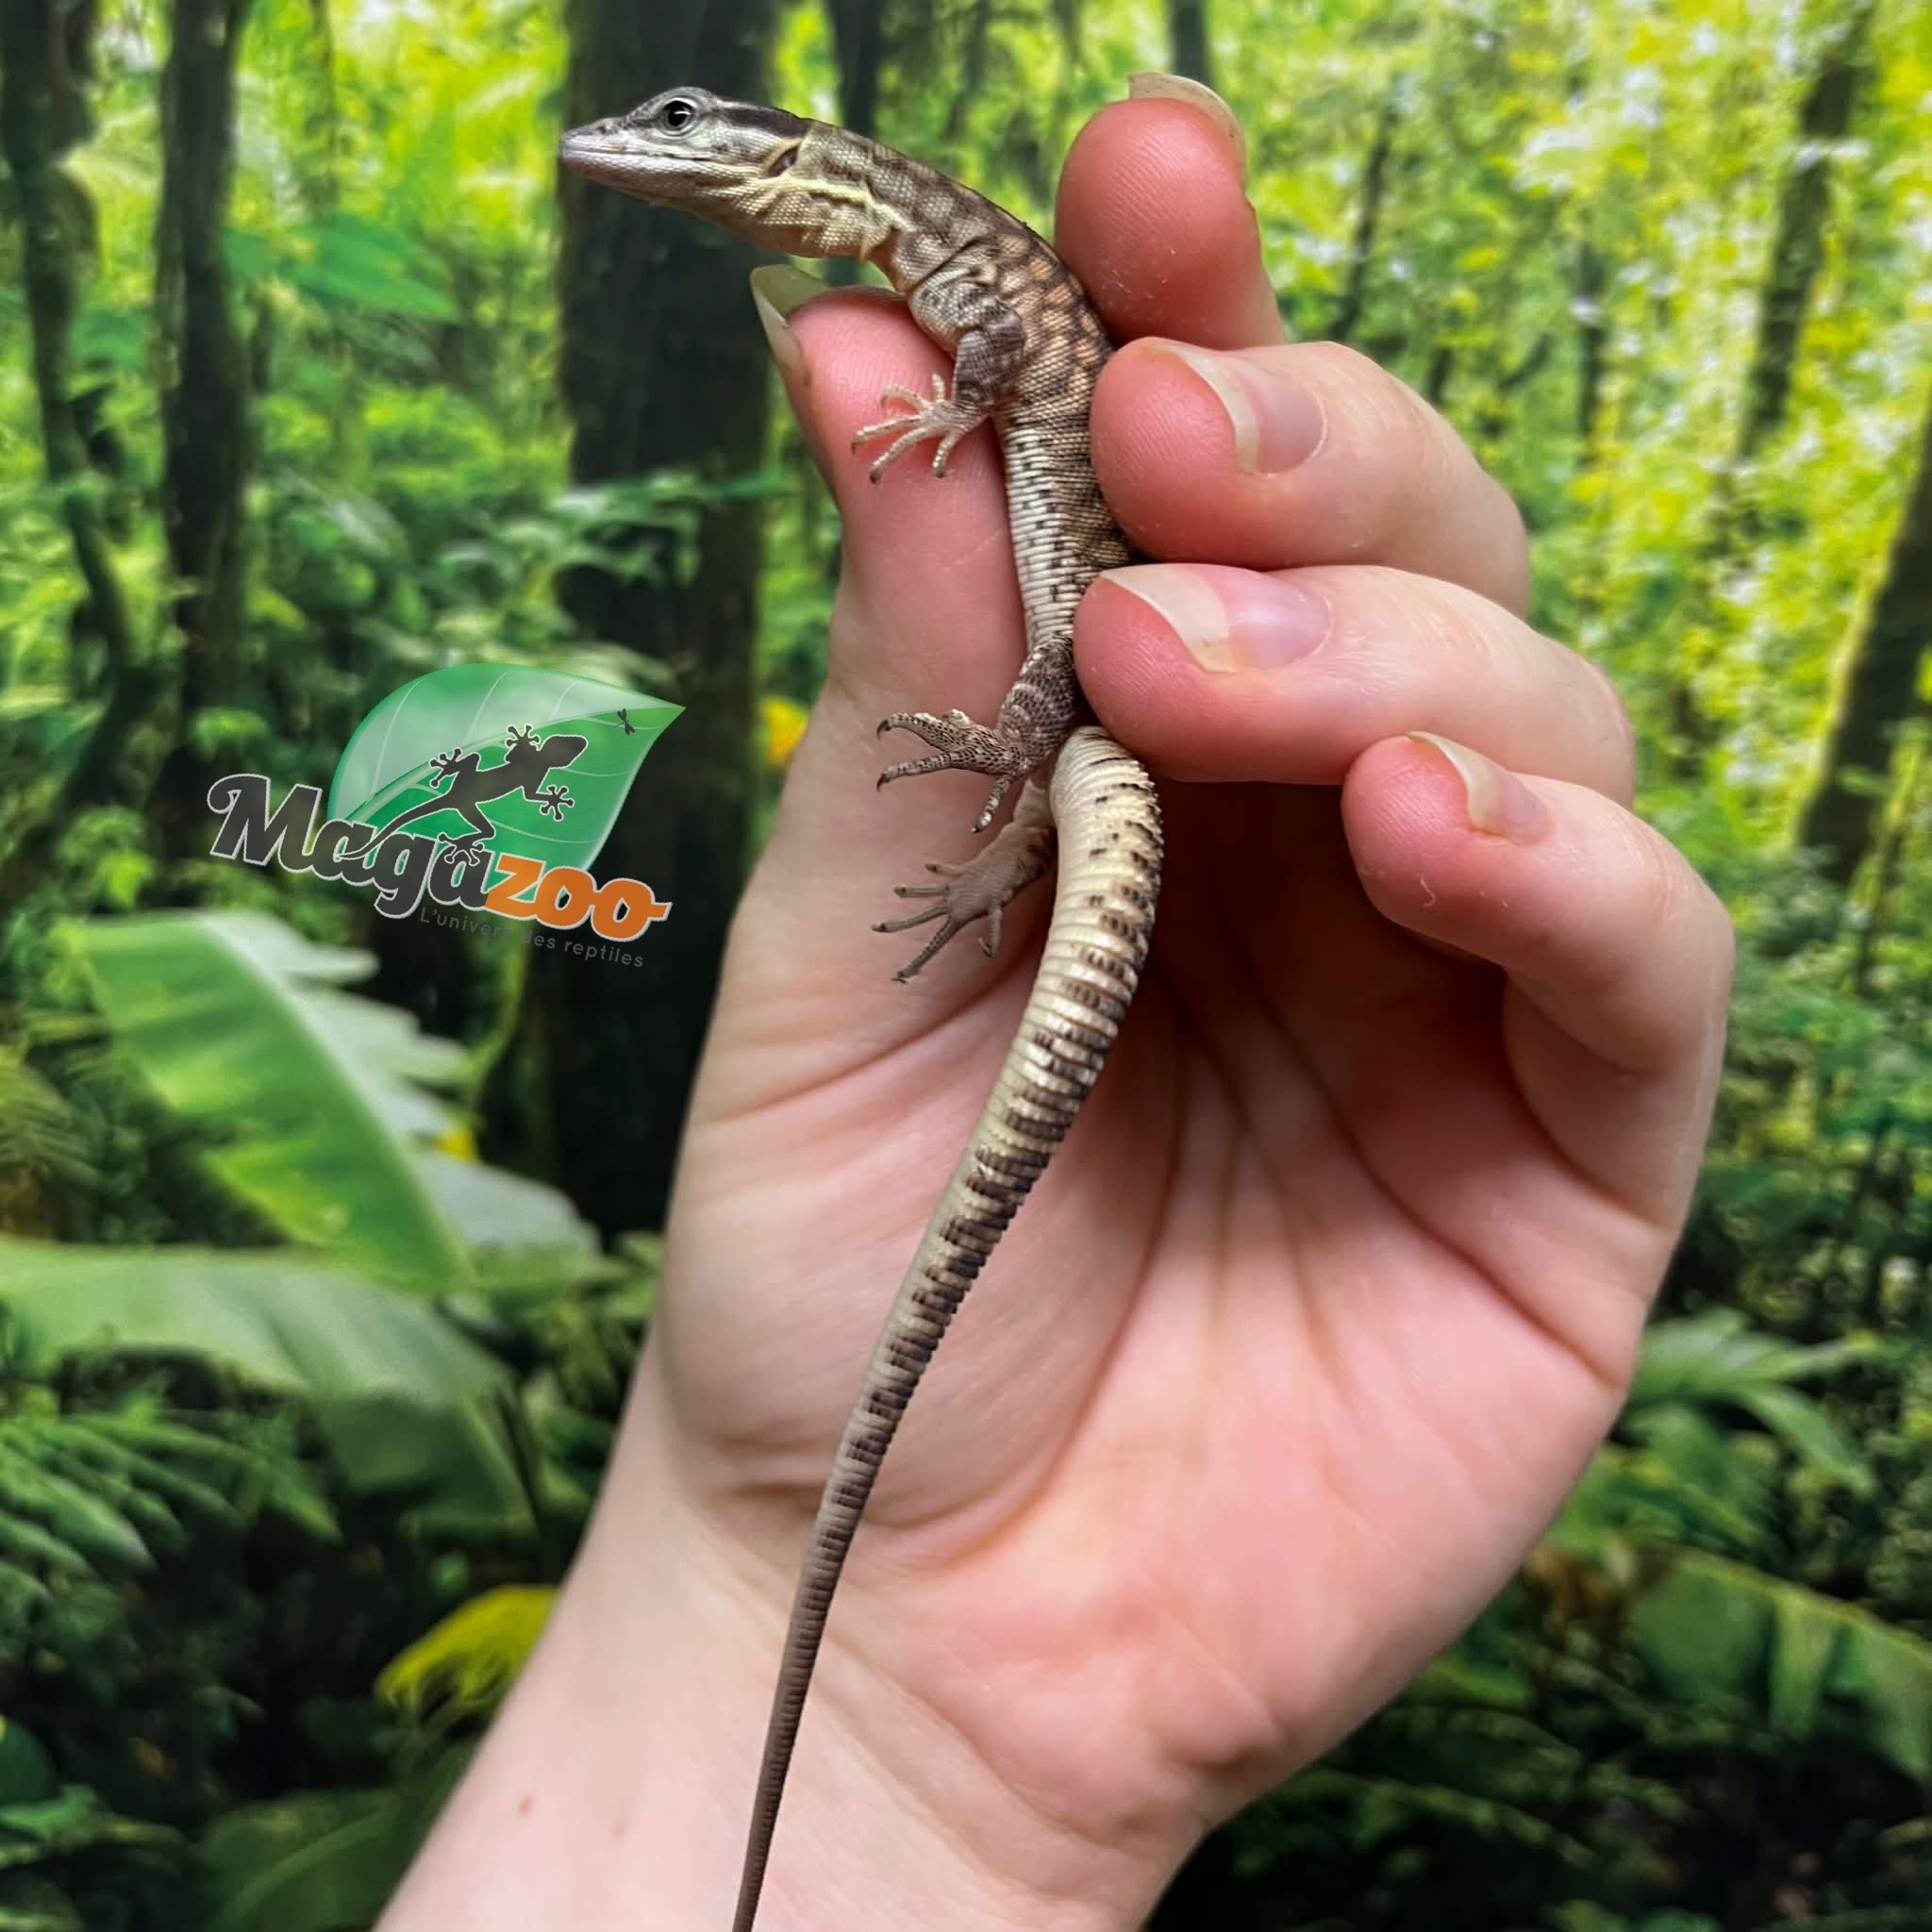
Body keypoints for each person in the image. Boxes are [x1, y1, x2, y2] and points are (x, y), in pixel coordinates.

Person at [379, 75, 1734, 1930]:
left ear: (781, 147)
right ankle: (1014, 848)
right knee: (1078, 728)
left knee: (1085, 712)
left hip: (1088, 713)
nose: (652, 141)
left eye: (690, 122)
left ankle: (1013, 838)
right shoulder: (894, 244)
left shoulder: (927, 244)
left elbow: (1019, 343)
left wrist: (966, 417)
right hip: (1082, 741)